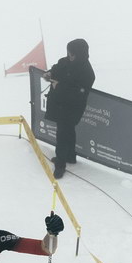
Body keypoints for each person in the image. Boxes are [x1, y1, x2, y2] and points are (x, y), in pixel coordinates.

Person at [43, 38, 95, 178]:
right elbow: (58, 68)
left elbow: (79, 93)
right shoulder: (66, 60)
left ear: (80, 54)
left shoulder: (87, 72)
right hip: (61, 104)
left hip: (72, 108)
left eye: (72, 54)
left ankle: (60, 164)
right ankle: (70, 156)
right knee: (69, 131)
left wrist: (58, 86)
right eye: (69, 53)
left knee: (62, 134)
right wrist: (50, 73)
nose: (69, 56)